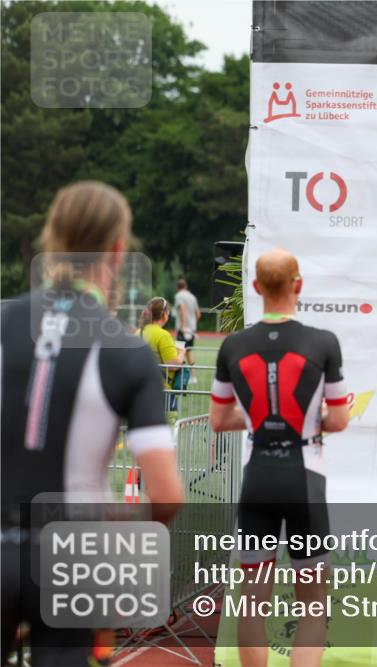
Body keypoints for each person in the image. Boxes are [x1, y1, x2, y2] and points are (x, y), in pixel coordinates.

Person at [1, 181, 183, 666]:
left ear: (50, 238)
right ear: (119, 249)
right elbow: (167, 496)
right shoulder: (128, 351)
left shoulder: (3, 321)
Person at [210, 249, 350, 667]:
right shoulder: (323, 342)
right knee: (312, 602)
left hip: (258, 478)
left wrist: (260, 418)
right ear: (298, 285)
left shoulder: (233, 345)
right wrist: (314, 420)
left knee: (253, 601)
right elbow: (339, 419)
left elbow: (219, 420)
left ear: (255, 288)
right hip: (303, 477)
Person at [139, 297, 185, 421]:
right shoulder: (163, 335)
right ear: (164, 315)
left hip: (139, 390)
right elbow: (173, 365)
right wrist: (181, 353)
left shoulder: (138, 332)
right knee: (168, 430)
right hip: (162, 391)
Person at [173, 278, 201, 370]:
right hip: (191, 329)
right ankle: (193, 376)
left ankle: (179, 375)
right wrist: (192, 324)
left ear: (177, 288)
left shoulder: (179, 296)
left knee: (179, 351)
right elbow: (198, 314)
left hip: (183, 329)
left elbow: (182, 310)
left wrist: (184, 326)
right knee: (188, 351)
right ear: (186, 287)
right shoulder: (192, 297)